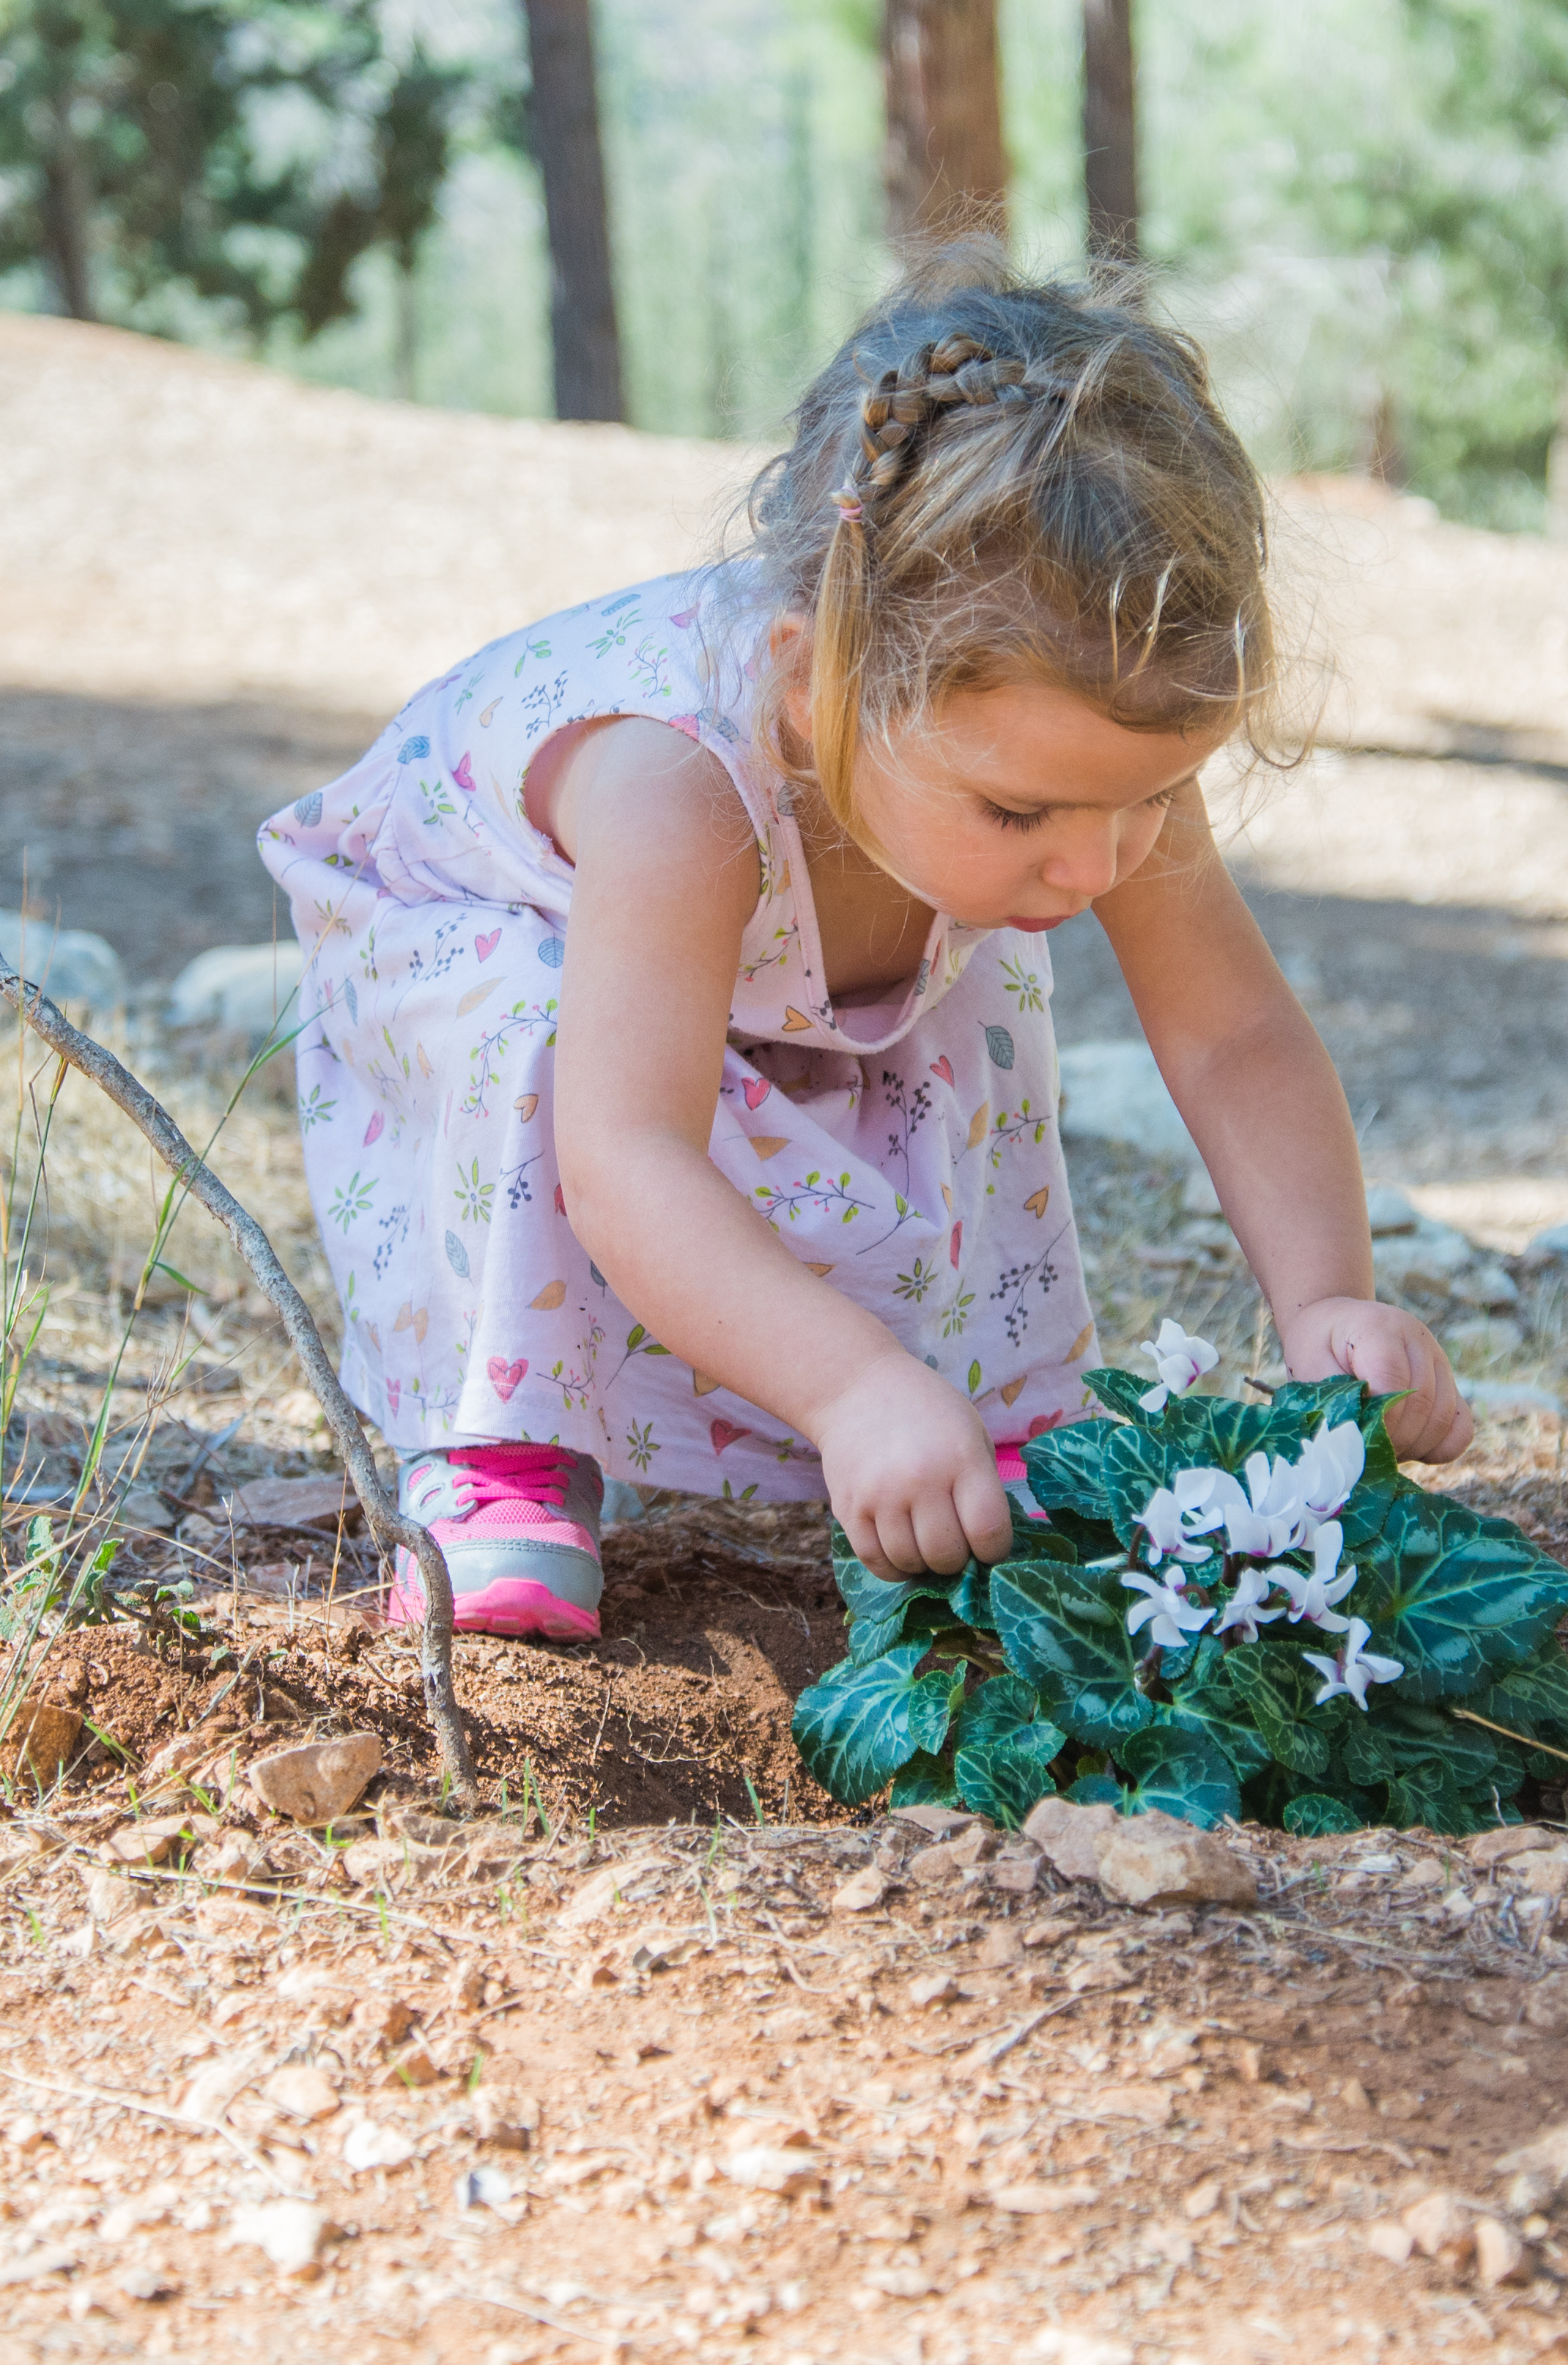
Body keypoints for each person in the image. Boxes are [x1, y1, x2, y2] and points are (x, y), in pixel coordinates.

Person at [256, 259, 1471, 1641]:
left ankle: (992, 1411)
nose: (1095, 864)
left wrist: (1323, 1302)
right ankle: (500, 1453)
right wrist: (845, 1389)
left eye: (1144, 802)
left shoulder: (1067, 751)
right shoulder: (672, 783)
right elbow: (626, 1154)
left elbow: (1233, 1031)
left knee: (984, 983)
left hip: (789, 954)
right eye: (1022, 810)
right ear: (816, 678)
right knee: (535, 1019)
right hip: (482, 945)